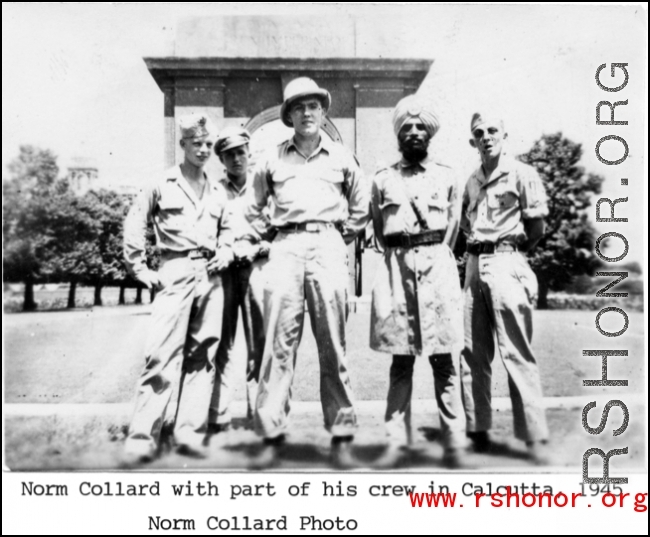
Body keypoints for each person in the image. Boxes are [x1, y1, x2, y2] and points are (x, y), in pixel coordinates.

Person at [243, 77, 370, 468]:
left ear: (323, 111)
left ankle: (342, 432)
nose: (306, 113)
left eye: (313, 106)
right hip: (285, 248)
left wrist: (336, 237)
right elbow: (252, 207)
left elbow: (361, 208)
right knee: (278, 346)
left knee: (333, 344)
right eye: (298, 107)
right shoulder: (271, 158)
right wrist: (274, 238)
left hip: (329, 247)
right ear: (289, 116)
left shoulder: (342, 158)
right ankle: (270, 434)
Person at [123, 113, 234, 462]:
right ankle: (142, 438)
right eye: (196, 143)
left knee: (203, 357)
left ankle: (188, 435)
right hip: (175, 268)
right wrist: (139, 267)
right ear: (183, 144)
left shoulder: (218, 190)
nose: (203, 149)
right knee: (161, 355)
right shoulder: (162, 182)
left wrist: (227, 252)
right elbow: (136, 221)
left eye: (208, 145)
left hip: (211, 274)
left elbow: (229, 231)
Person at [369, 95, 466, 469]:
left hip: (437, 269)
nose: (413, 132)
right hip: (397, 270)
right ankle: (396, 441)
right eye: (406, 127)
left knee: (445, 360)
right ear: (398, 133)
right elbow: (379, 231)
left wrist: (435, 259)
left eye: (420, 127)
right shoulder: (382, 178)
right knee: (401, 361)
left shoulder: (448, 174)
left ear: (429, 133)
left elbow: (453, 226)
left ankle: (454, 441)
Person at [459, 112, 550, 463]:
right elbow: (467, 225)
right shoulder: (471, 180)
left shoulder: (522, 173)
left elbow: (537, 225)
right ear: (473, 141)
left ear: (504, 134)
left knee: (516, 351)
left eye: (492, 130)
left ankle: (533, 436)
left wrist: (513, 255)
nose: (486, 136)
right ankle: (478, 430)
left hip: (507, 258)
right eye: (478, 133)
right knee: (472, 353)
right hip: (472, 266)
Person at [208, 127, 274, 433]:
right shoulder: (214, 190)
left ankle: (257, 413)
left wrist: (257, 247)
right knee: (222, 342)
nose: (236, 159)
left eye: (240, 152)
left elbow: (279, 233)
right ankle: (217, 414)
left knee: (258, 345)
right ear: (221, 158)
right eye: (229, 154)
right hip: (223, 272)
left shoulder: (264, 188)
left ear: (249, 153)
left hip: (256, 268)